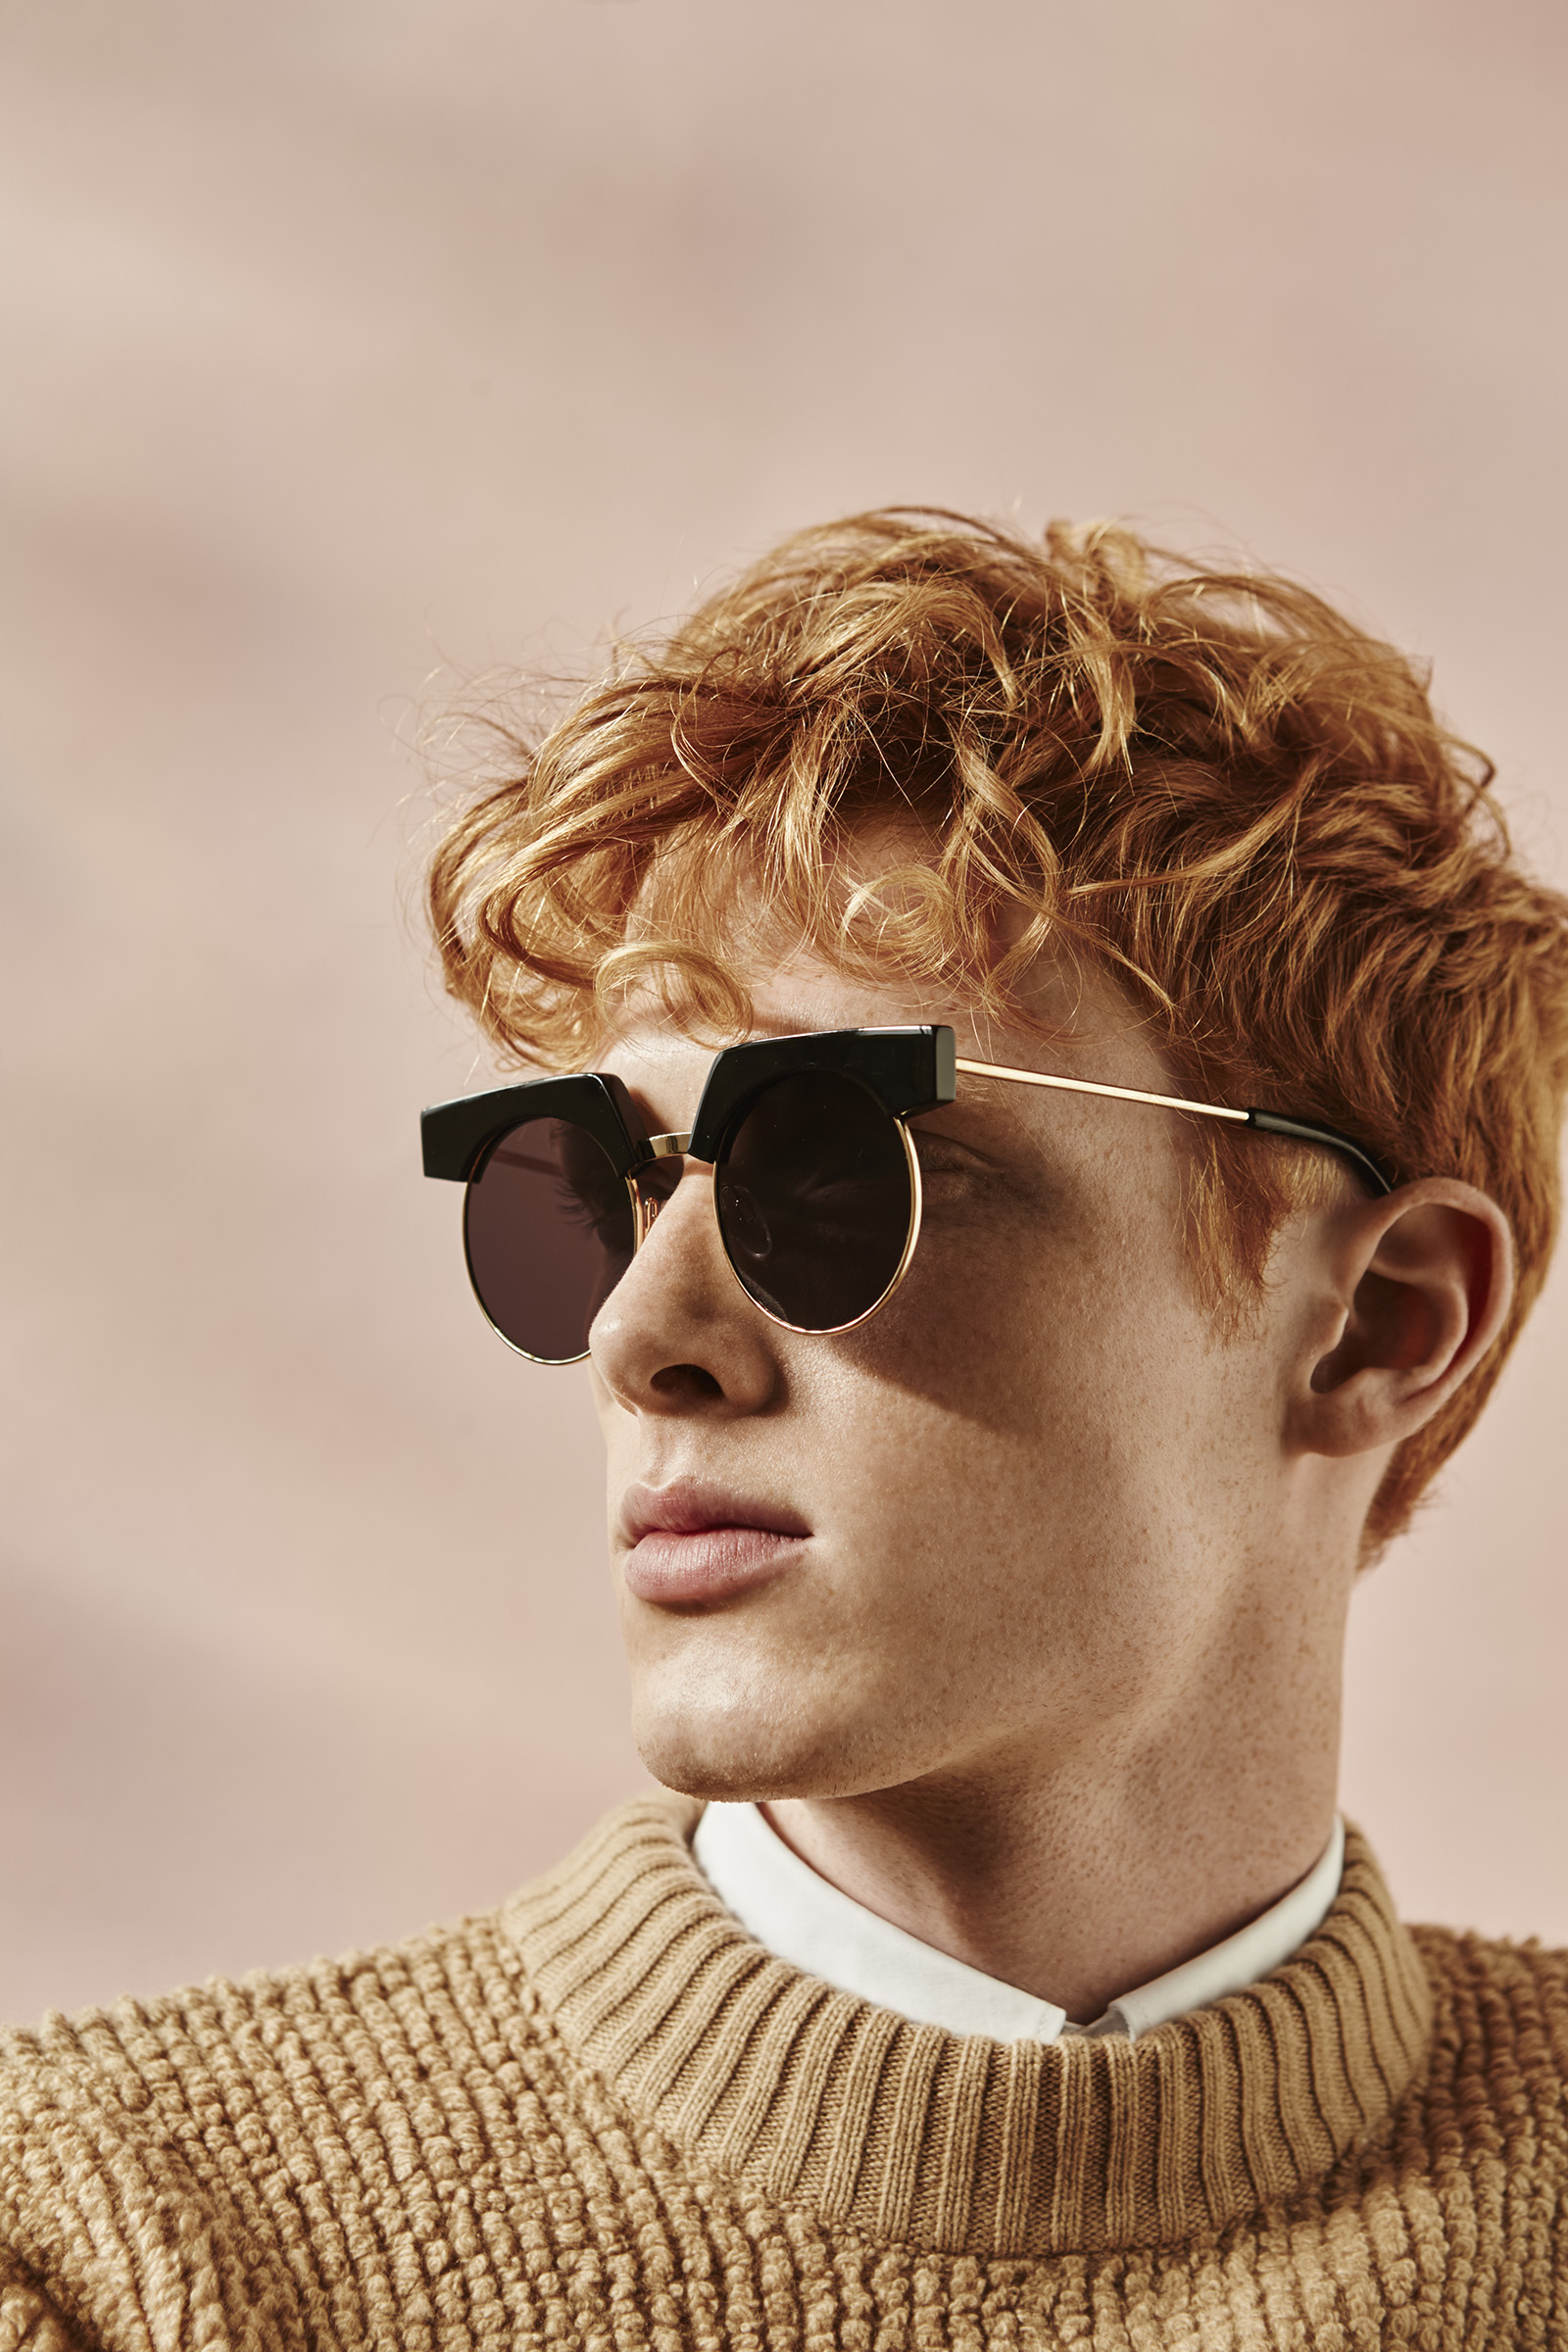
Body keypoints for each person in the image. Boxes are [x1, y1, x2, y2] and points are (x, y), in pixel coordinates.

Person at [4, 511, 1566, 2347]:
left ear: (1382, 1323)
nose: (636, 1335)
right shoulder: (106, 2255)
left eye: (842, 1170)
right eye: (590, 1185)